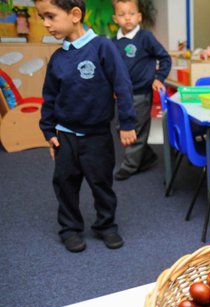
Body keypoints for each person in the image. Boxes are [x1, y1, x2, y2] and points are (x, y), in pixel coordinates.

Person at [35, 0, 137, 252]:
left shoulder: (103, 47)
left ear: (75, 14)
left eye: (50, 16)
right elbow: (49, 97)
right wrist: (48, 132)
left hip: (97, 135)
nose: (45, 24)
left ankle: (106, 225)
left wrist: (127, 123)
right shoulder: (58, 58)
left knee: (101, 182)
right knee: (65, 183)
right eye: (42, 17)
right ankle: (70, 228)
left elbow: (122, 85)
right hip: (65, 136)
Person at [111, 0, 171, 181]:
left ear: (139, 17)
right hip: (121, 96)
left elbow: (165, 58)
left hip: (139, 94)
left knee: (135, 130)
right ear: (115, 19)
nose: (127, 18)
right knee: (121, 127)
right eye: (122, 15)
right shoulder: (113, 42)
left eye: (131, 14)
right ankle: (146, 156)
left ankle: (130, 166)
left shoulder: (145, 38)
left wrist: (158, 78)